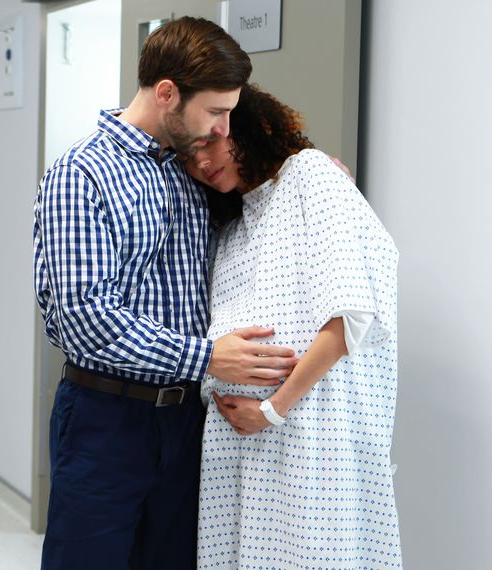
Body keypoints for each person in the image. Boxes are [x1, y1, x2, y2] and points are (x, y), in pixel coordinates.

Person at [33, 17, 300, 569]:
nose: (224, 129)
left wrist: (309, 173)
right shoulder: (81, 176)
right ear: (167, 93)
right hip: (106, 421)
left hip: (188, 424)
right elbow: (87, 320)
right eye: (216, 111)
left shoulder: (189, 170)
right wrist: (207, 355)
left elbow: (254, 209)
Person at [184, 84, 402, 567]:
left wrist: (274, 409)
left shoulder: (310, 175)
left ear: (245, 127)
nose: (201, 162)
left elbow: (350, 316)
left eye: (209, 143)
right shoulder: (235, 226)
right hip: (243, 447)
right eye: (189, 153)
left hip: (310, 437)